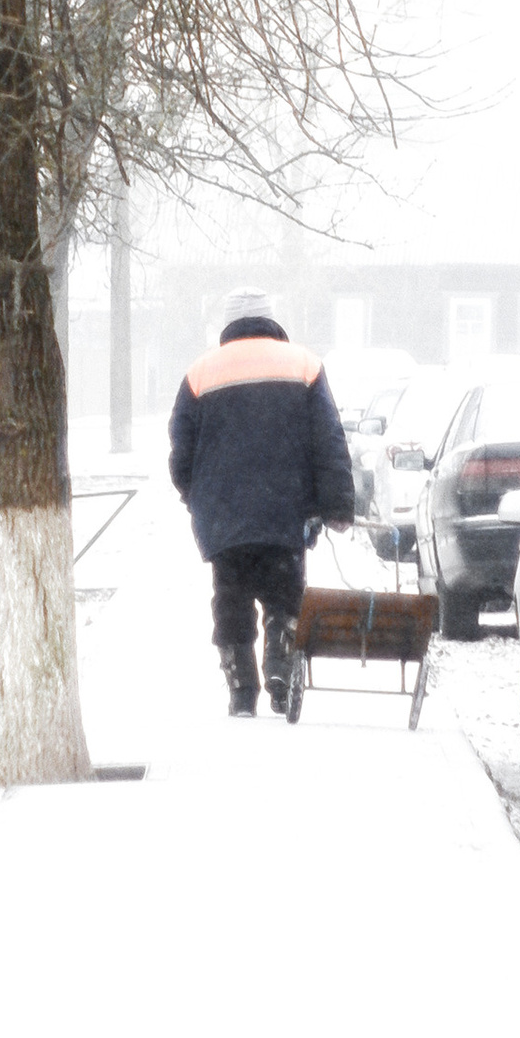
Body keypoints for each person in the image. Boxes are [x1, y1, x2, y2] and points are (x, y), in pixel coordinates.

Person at [167, 287, 356, 716]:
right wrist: (337, 505)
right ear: (272, 322)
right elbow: (328, 440)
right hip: (285, 513)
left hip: (225, 517)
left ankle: (240, 692)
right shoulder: (304, 365)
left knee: (230, 598)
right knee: (285, 593)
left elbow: (181, 449)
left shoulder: (200, 373)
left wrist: (194, 496)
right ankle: (279, 664)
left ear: (228, 327)